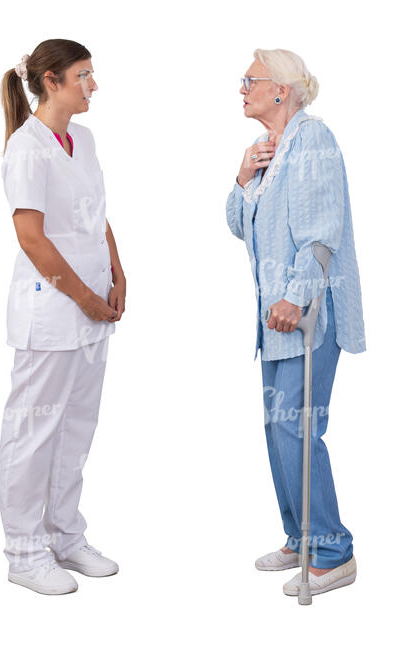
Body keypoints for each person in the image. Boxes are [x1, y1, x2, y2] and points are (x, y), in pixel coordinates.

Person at [226, 48, 366, 597]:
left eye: (249, 80)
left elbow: (322, 231)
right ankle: (299, 537)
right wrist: (241, 178)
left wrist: (295, 296)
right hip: (274, 322)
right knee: (277, 429)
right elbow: (241, 227)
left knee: (298, 429)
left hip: (308, 315)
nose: (241, 89)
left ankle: (333, 550)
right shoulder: (270, 150)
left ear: (281, 90)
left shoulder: (312, 140)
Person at [0, 39, 126, 595]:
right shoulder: (27, 149)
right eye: (83, 74)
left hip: (93, 309)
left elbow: (96, 215)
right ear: (52, 81)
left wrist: (119, 273)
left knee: (76, 427)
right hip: (53, 310)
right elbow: (31, 237)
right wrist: (84, 297)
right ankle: (24, 552)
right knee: (34, 431)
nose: (93, 84)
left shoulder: (85, 140)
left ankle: (65, 535)